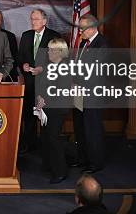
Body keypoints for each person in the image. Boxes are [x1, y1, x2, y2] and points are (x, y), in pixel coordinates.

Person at [17, 9, 61, 153]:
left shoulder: (54, 36)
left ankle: (46, 149)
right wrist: (23, 65)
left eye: (36, 19)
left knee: (45, 119)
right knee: (28, 117)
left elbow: (60, 62)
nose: (33, 22)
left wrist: (42, 69)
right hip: (29, 84)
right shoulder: (26, 35)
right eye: (31, 19)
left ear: (44, 21)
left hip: (47, 85)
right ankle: (29, 146)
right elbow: (20, 57)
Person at [72, 14, 108, 172]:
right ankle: (83, 159)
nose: (80, 32)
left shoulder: (102, 45)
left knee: (92, 129)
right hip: (79, 93)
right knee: (80, 127)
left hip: (92, 94)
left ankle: (95, 163)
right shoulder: (82, 44)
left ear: (93, 27)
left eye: (83, 28)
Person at [35, 38, 70, 184]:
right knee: (46, 137)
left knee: (54, 139)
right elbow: (42, 84)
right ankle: (49, 164)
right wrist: (39, 97)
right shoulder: (49, 65)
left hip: (58, 108)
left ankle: (60, 171)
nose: (48, 51)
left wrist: (44, 100)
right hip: (47, 108)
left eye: (51, 49)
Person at [0, 9, 18, 80]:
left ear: (1, 21)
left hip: (7, 76)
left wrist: (3, 73)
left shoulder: (10, 36)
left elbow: (14, 58)